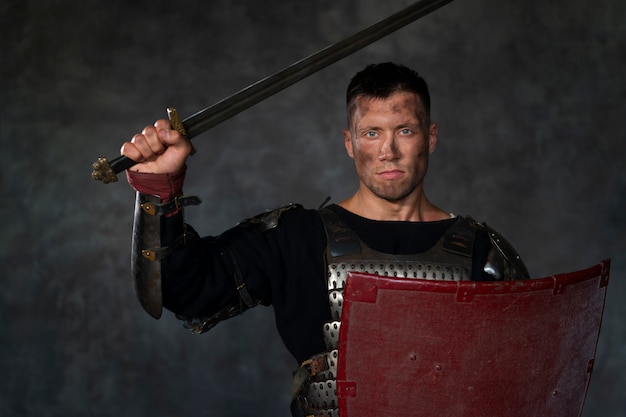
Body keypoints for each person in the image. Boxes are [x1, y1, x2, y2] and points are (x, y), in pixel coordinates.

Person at [121, 62, 530, 416]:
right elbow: (186, 290)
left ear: (431, 137)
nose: (388, 150)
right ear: (350, 144)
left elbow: (525, 380)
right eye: (372, 133)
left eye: (404, 130)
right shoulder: (296, 238)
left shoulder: (482, 250)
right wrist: (160, 192)